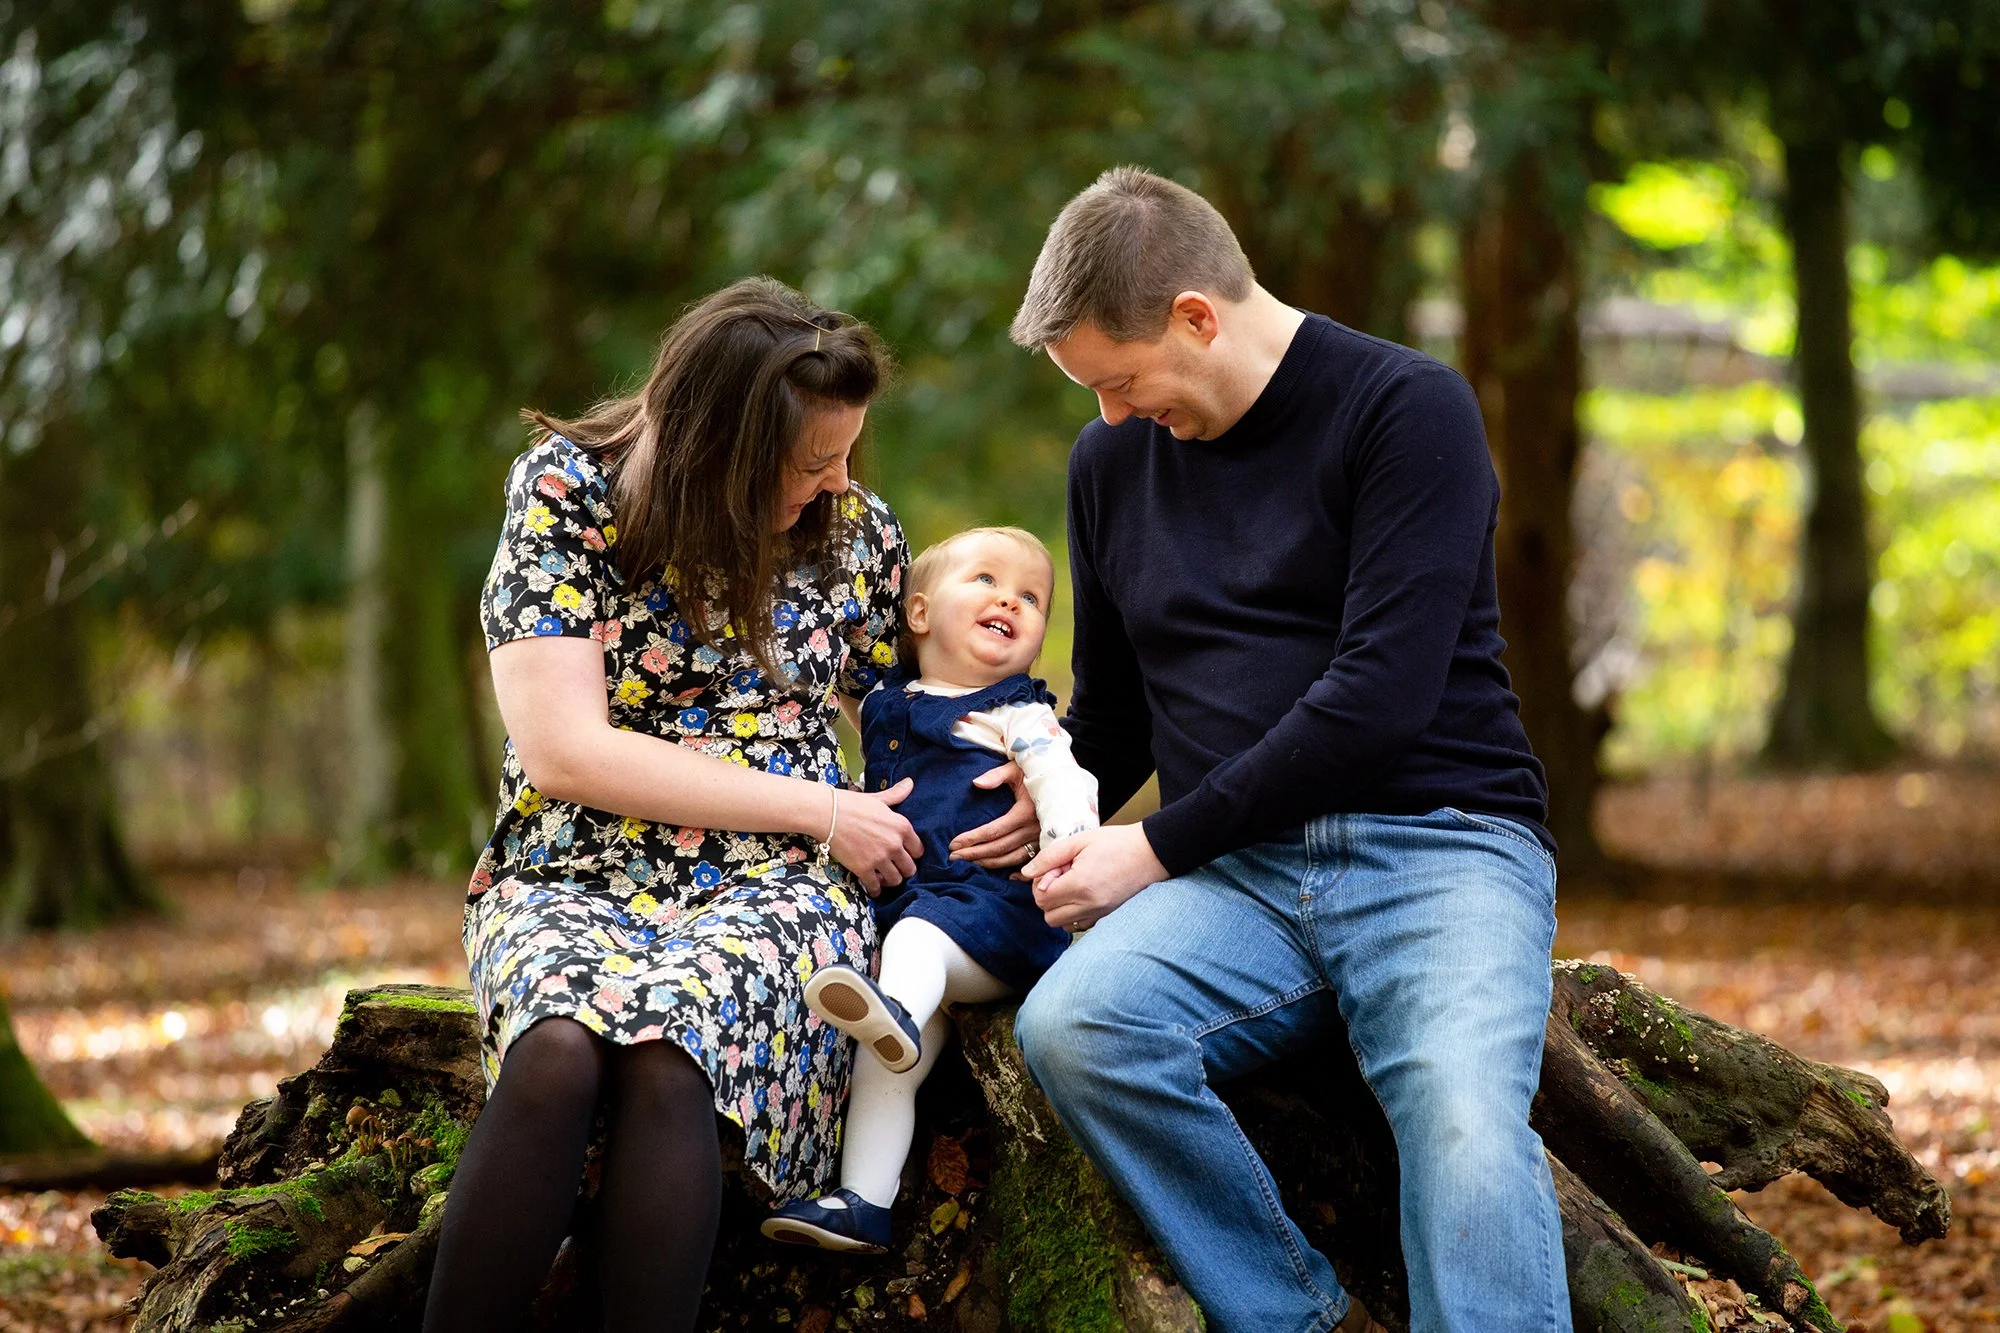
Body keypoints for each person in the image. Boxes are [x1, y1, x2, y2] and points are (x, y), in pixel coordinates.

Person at [1004, 167, 1573, 1333]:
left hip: (1441, 848)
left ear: (1196, 317)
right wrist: (1027, 807)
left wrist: (1151, 847)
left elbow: (1377, 699)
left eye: (1119, 381)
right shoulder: (1108, 462)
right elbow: (1113, 717)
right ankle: (1298, 1316)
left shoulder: (1404, 410)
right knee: (1078, 1025)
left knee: (1462, 1118)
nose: (1108, 416)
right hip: (1241, 883)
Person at [425, 277, 930, 1333]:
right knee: (557, 1046)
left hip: (779, 883)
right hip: (573, 861)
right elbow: (562, 751)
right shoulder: (570, 493)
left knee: (673, 1045)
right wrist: (816, 805)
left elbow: (913, 714)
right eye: (809, 463)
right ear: (718, 449)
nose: (839, 483)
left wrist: (1013, 784)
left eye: (848, 453)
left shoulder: (854, 534)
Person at [761, 525, 1098, 1253]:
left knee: (911, 956)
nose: (1010, 597)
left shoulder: (1017, 712)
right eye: (985, 579)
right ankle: (864, 1201)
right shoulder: (886, 704)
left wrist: (1070, 845)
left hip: (997, 915)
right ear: (918, 613)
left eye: (1032, 596)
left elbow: (1065, 779)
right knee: (887, 1063)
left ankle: (895, 1010)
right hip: (917, 917)